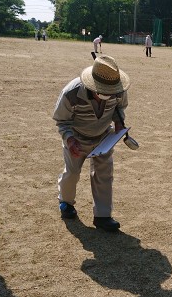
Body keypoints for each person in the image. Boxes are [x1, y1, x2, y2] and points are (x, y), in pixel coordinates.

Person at [52, 55, 131, 232]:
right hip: (76, 138)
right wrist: (70, 140)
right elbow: (61, 121)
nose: (108, 95)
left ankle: (103, 216)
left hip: (104, 137)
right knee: (72, 173)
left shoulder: (119, 89)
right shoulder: (71, 93)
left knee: (104, 174)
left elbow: (119, 108)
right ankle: (66, 202)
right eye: (102, 92)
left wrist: (119, 122)